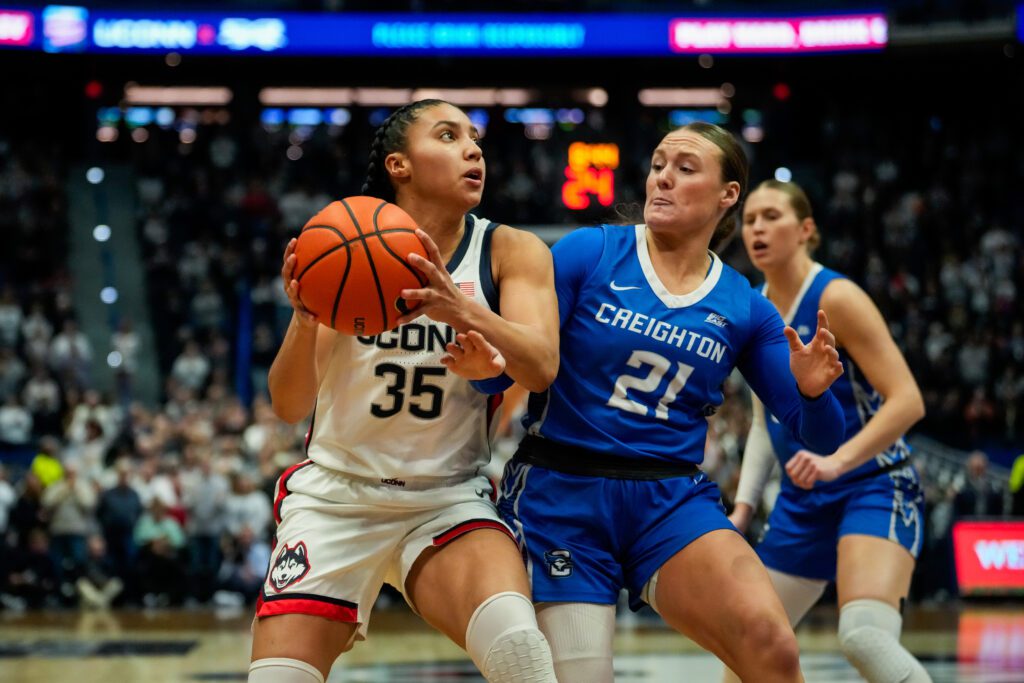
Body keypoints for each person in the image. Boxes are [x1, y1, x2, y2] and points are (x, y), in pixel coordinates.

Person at [497, 123, 847, 683]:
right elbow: (508, 373)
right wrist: (486, 359)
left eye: (685, 168)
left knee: (772, 645)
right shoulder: (589, 252)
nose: (663, 177)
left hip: (670, 500)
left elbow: (823, 436)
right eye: (659, 163)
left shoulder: (745, 306)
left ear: (727, 194)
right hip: (565, 493)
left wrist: (814, 389)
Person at [251, 99, 560, 683]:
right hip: (336, 500)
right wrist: (304, 318)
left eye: (474, 138)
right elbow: (288, 406)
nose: (472, 149)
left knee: (521, 652)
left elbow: (541, 365)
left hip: (445, 500)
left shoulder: (509, 250)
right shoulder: (343, 240)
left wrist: (462, 310)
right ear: (400, 164)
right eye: (447, 136)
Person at [726, 179, 930, 683]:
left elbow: (908, 400)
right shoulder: (753, 306)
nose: (757, 228)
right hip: (803, 495)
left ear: (806, 229)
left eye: (772, 216)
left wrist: (838, 461)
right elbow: (761, 421)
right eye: (750, 219)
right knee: (747, 654)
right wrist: (745, 508)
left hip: (873, 483)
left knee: (864, 637)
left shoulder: (837, 296)